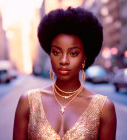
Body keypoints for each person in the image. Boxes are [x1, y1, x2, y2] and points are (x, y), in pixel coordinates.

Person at [13, 7, 117, 140]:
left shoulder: (103, 108)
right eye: (56, 52)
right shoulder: (28, 102)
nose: (63, 61)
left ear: (84, 57)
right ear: (50, 54)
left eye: (73, 53)